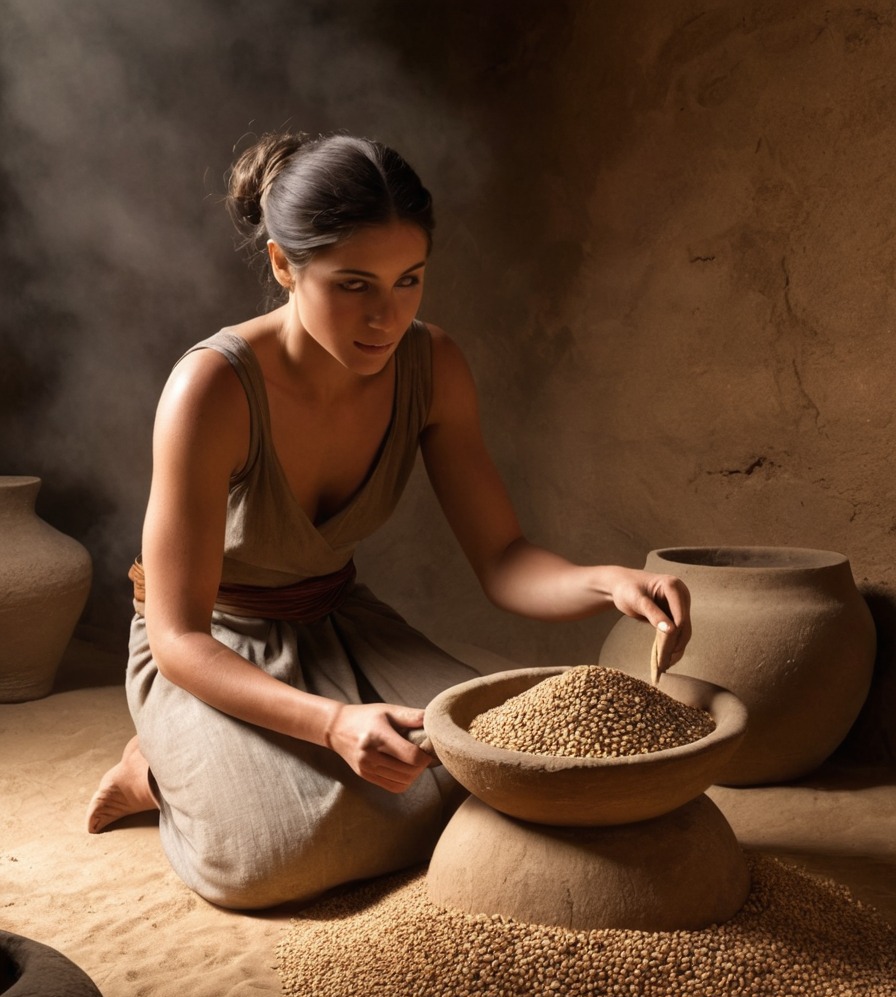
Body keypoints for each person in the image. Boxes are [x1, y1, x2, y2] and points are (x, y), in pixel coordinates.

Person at [86, 130, 691, 909]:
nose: (386, 317)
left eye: (410, 281)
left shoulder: (433, 367)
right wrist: (335, 724)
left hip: (342, 622)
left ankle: (216, 764)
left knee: (509, 766)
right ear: (282, 265)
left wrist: (609, 582)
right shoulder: (211, 390)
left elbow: (504, 559)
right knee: (280, 855)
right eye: (353, 285)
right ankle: (158, 766)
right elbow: (178, 636)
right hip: (214, 647)